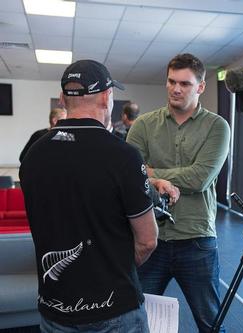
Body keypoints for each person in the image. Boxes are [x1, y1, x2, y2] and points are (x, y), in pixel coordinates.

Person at [19, 59, 174, 332]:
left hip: (55, 307)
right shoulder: (123, 156)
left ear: (63, 99)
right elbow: (148, 241)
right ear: (106, 97)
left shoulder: (33, 155)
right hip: (114, 309)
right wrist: (112, 264)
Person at [126, 53, 230, 333]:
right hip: (149, 239)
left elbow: (200, 178)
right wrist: (149, 175)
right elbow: (129, 175)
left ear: (201, 87)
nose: (176, 88)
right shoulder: (144, 125)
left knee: (210, 323)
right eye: (171, 81)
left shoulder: (217, 127)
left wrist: (152, 173)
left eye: (185, 83)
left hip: (196, 240)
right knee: (137, 320)